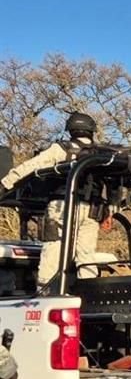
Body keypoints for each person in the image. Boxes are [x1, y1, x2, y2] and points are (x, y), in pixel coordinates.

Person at [0, 113, 104, 287]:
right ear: (91, 130)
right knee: (86, 255)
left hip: (62, 205)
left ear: (70, 130)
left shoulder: (61, 149)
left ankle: (44, 290)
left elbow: (32, 165)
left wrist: (6, 183)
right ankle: (89, 292)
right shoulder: (102, 154)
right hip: (92, 208)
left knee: (53, 248)